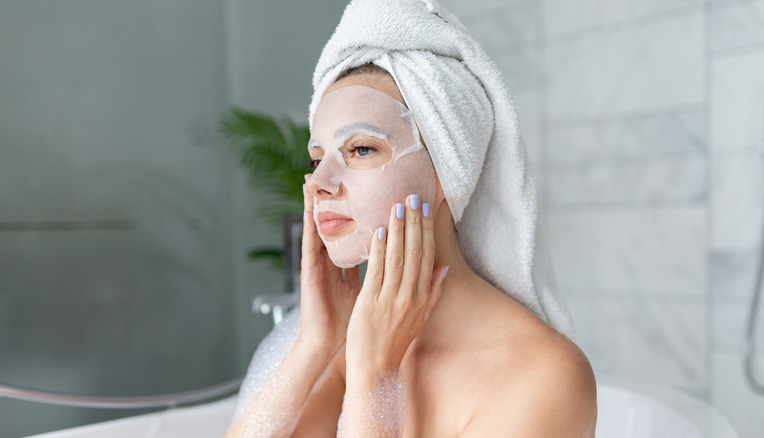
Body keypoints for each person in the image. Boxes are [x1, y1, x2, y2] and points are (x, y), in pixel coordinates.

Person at [224, 1, 596, 436]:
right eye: (318, 157)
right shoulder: (350, 344)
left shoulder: (541, 375)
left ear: (446, 172)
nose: (318, 182)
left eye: (360, 149)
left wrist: (376, 376)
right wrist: (314, 343)